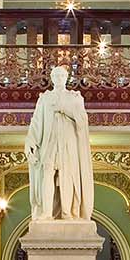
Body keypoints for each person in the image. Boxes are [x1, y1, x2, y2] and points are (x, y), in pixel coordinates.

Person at [25, 65, 94, 221]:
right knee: (47, 174)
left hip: (68, 143)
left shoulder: (75, 97)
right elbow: (36, 122)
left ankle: (67, 213)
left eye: (62, 76)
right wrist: (31, 140)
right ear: (52, 78)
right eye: (56, 76)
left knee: (67, 176)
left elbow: (82, 121)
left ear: (67, 78)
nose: (59, 79)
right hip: (49, 142)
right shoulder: (45, 98)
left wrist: (64, 109)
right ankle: (46, 213)